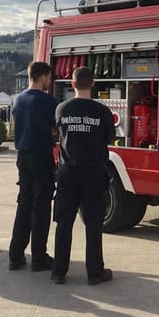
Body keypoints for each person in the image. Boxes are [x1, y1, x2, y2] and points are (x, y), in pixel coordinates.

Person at [51, 66, 115, 285]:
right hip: (94, 173)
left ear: (72, 84)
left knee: (64, 222)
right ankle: (95, 273)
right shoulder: (102, 111)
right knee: (94, 223)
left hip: (68, 174)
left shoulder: (61, 109)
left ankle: (58, 271)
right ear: (93, 84)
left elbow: (57, 133)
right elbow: (110, 138)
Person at [8, 62, 58, 272]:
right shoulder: (48, 101)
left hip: (23, 156)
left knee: (24, 204)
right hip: (41, 155)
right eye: (49, 77)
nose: (50, 81)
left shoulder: (18, 99)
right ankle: (38, 257)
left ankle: (15, 255)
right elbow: (55, 129)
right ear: (43, 76)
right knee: (41, 207)